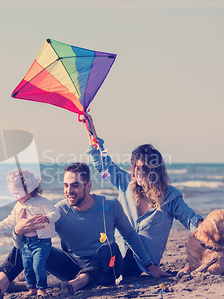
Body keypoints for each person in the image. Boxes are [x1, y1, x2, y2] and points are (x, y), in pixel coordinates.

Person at [0, 162, 169, 299]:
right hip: (72, 268)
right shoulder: (58, 212)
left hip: (107, 269)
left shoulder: (110, 205)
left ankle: (78, 283)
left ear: (88, 186)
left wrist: (149, 266)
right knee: (32, 243)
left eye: (74, 185)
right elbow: (25, 243)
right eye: (65, 185)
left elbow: (130, 236)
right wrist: (17, 231)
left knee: (110, 246)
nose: (68, 190)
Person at [81, 112, 203, 277]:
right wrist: (90, 128)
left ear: (154, 170)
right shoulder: (126, 183)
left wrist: (209, 228)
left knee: (98, 269)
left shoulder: (170, 196)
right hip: (116, 252)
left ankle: (81, 277)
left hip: (141, 264)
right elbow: (102, 162)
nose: (137, 172)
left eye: (143, 168)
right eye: (135, 167)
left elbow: (190, 218)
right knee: (86, 259)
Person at [0, 169, 60, 296]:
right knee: (27, 267)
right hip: (26, 243)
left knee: (38, 266)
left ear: (29, 188)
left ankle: (42, 289)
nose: (15, 197)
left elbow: (55, 212)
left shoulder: (41, 201)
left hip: (41, 242)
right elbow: (11, 219)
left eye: (17, 193)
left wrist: (48, 218)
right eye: (13, 193)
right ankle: (31, 289)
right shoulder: (18, 205)